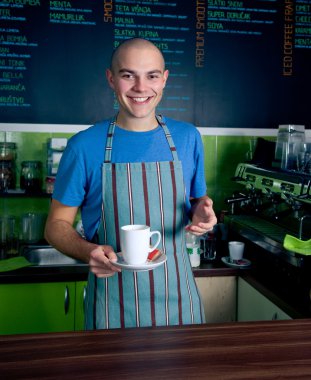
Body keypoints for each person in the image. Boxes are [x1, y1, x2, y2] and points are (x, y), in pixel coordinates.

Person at [44, 38, 217, 329]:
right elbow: (55, 227)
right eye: (128, 75)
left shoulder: (188, 138)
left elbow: (198, 202)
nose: (140, 87)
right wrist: (88, 252)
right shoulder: (83, 146)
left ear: (164, 80)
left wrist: (202, 212)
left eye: (151, 76)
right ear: (111, 79)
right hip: (112, 305)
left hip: (180, 303)